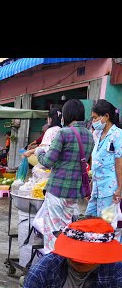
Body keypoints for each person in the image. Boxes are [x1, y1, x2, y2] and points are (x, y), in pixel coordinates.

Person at [36, 100, 95, 254]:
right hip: (74, 192)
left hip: (57, 190)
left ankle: (53, 265)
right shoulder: (90, 135)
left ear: (67, 115)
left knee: (53, 233)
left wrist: (39, 153)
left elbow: (48, 161)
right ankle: (65, 261)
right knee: (67, 229)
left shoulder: (64, 133)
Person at [85, 100, 122, 217]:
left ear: (106, 116)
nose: (93, 122)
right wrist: (91, 183)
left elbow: (119, 163)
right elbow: (96, 161)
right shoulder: (97, 134)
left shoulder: (117, 134)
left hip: (109, 189)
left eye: (95, 118)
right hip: (97, 186)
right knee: (88, 219)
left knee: (105, 224)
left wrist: (120, 188)